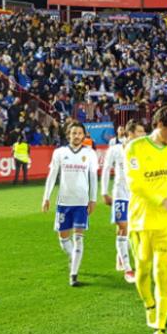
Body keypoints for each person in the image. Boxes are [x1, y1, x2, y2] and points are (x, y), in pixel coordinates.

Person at [125, 107, 167, 334]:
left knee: (162, 272)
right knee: (143, 270)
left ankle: (160, 329)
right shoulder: (135, 148)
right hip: (141, 221)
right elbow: (135, 184)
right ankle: (149, 304)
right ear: (159, 124)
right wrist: (163, 201)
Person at [42, 121, 98, 287]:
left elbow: (93, 178)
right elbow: (52, 175)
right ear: (68, 134)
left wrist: (93, 199)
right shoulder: (60, 152)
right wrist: (46, 197)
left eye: (80, 133)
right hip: (64, 202)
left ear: (84, 135)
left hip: (81, 202)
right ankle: (74, 257)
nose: (77, 136)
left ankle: (73, 274)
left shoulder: (90, 154)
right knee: (63, 239)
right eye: (74, 133)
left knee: (79, 239)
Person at [101, 119, 146, 284]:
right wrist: (104, 192)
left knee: (131, 230)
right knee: (123, 227)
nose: (143, 135)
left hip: (137, 196)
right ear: (130, 133)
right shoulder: (115, 150)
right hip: (120, 194)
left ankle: (121, 255)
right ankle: (128, 269)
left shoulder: (143, 151)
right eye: (140, 131)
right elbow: (106, 169)